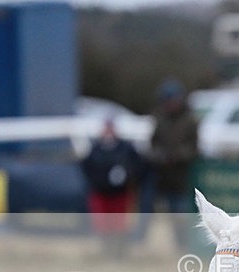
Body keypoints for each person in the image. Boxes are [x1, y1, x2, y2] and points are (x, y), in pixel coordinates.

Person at [148, 76, 199, 249]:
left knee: (181, 214)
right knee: (164, 214)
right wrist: (160, 156)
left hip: (182, 177)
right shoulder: (160, 119)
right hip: (163, 177)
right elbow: (153, 144)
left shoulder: (189, 120)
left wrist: (177, 156)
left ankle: (184, 245)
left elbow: (194, 147)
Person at [80, 117, 142, 256]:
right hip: (101, 192)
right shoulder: (95, 149)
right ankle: (106, 251)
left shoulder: (125, 148)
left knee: (119, 225)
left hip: (120, 193)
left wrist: (126, 175)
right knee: (103, 225)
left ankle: (120, 251)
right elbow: (86, 168)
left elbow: (137, 166)